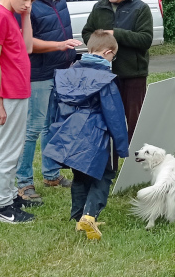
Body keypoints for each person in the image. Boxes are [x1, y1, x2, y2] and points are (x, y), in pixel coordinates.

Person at [43, 30, 130, 241]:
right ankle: (89, 216)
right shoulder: (106, 79)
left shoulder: (67, 73)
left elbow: (55, 108)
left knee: (80, 175)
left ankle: (78, 216)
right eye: (113, 56)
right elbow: (115, 115)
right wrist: (121, 146)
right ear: (108, 53)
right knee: (103, 176)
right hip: (95, 136)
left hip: (70, 133)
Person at [15, 0, 82, 205]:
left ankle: (51, 175)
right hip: (38, 77)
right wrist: (59, 45)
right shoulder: (29, 6)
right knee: (32, 129)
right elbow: (28, 43)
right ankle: (24, 183)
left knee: (52, 126)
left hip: (62, 72)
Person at [0, 0, 39, 224]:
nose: (27, 4)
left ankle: (10, 196)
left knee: (14, 148)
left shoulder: (12, 15)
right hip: (8, 93)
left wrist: (25, 15)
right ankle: (3, 209)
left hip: (20, 89)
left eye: (31, 1)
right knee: (6, 150)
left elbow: (26, 47)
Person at [81, 0, 153, 142]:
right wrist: (99, 44)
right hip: (104, 76)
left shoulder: (140, 8)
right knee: (107, 121)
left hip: (133, 75)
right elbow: (86, 33)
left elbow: (145, 39)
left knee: (134, 122)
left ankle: (135, 160)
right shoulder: (99, 7)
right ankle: (110, 164)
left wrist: (116, 34)